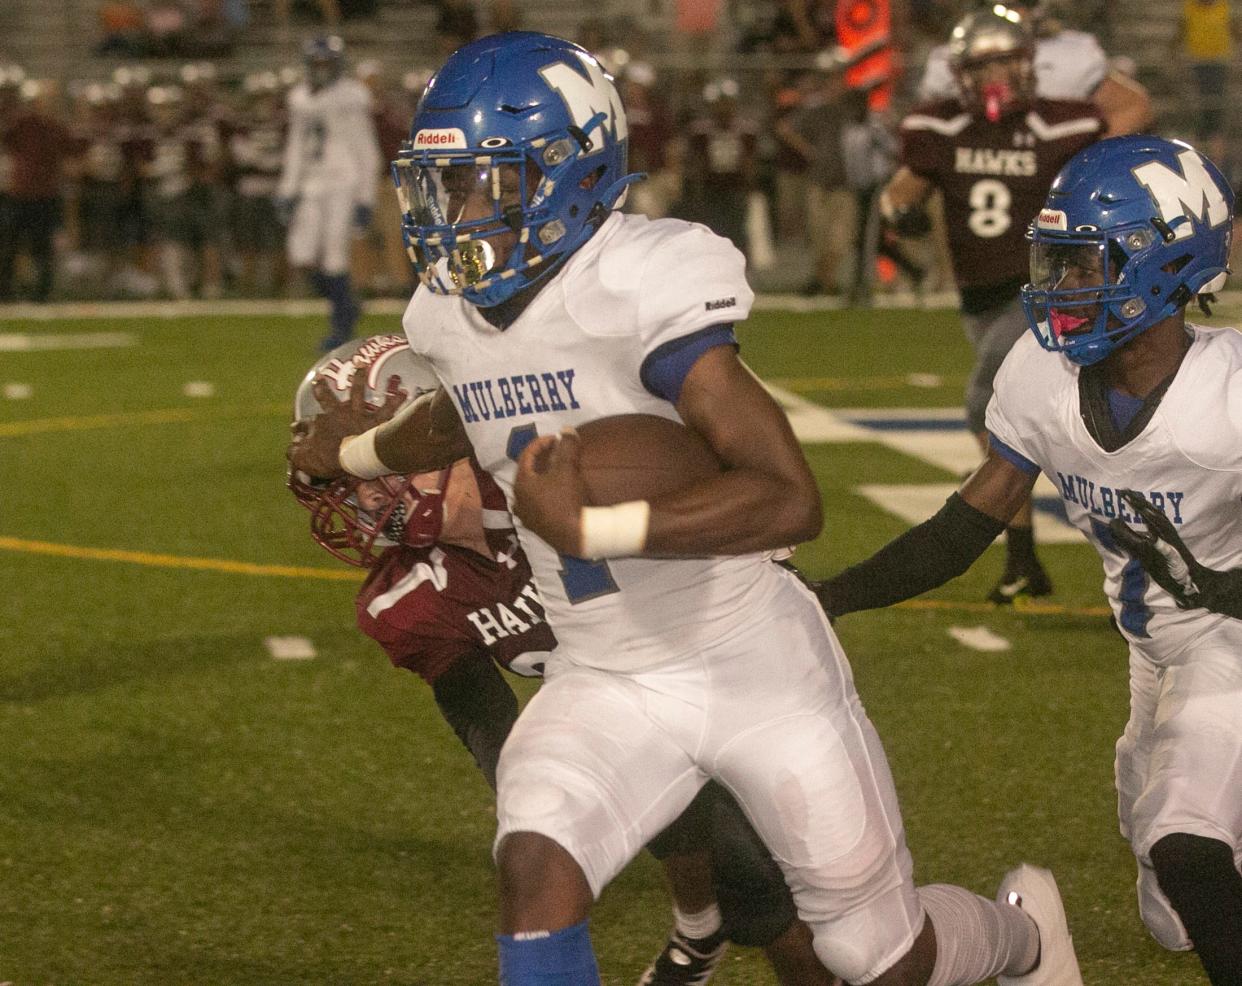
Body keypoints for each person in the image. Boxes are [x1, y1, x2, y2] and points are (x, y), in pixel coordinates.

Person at [290, 32, 1081, 986]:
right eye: (446, 183)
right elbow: (462, 408)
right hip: (605, 672)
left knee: (875, 956)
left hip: (751, 663)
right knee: (533, 870)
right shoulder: (446, 314)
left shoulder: (640, 281)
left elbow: (789, 496)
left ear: (568, 175)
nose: (458, 212)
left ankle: (1022, 940)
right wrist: (349, 451)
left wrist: (597, 529)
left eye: (485, 183)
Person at [815, 134, 1242, 986]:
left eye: (1087, 265)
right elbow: (963, 526)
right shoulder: (1042, 374)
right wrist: (829, 595)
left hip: (1228, 635)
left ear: (1166, 265)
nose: (1063, 288)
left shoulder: (1225, 399)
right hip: (1151, 643)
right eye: (1057, 263)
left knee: (1184, 838)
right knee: (1169, 906)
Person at [290, 334, 840, 986]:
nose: (360, 503)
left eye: (363, 476)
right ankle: (701, 926)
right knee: (605, 801)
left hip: (731, 662)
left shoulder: (567, 475)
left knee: (788, 899)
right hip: (633, 700)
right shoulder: (410, 595)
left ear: (423, 438)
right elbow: (497, 741)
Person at [881, 7, 1103, 604]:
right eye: (985, 64)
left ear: (1030, 63)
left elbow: (1125, 115)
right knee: (1026, 424)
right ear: (961, 74)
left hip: (1041, 290)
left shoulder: (1064, 123)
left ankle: (1065, 555)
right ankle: (1026, 558)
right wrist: (894, 209)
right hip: (979, 296)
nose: (999, 74)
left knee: (986, 402)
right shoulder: (941, 127)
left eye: (1008, 59)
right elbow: (904, 184)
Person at [276, 34, 380, 351]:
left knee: (335, 255)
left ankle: (341, 326)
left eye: (326, 63)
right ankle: (346, 302)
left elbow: (366, 150)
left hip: (343, 181)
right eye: (316, 63)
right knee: (301, 254)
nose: (321, 69)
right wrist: (287, 189)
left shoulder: (351, 96)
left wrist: (366, 197)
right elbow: (296, 146)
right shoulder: (300, 98)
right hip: (312, 182)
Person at [917, 1, 1152, 138]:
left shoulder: (1070, 55)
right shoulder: (945, 60)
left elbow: (1134, 105)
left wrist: (1081, 163)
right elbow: (929, 139)